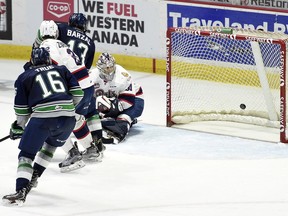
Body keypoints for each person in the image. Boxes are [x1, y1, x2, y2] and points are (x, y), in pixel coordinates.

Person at [2, 48, 83, 206]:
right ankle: (34, 177)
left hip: (43, 120)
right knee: (50, 146)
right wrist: (66, 109)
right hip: (68, 119)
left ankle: (21, 190)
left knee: (26, 154)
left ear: (32, 60)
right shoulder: (61, 69)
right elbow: (78, 94)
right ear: (49, 60)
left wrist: (18, 127)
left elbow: (21, 110)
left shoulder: (25, 76)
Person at [34, 20, 104, 173]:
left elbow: (53, 69)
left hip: (74, 88)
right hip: (87, 86)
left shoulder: (46, 45)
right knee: (76, 118)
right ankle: (91, 150)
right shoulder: (61, 44)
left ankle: (73, 154)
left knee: (54, 122)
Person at [89, 53, 144, 144]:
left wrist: (108, 110)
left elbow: (128, 101)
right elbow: (87, 99)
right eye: (106, 68)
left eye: (111, 67)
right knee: (93, 117)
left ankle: (119, 132)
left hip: (134, 100)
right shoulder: (91, 77)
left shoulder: (123, 76)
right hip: (112, 101)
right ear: (100, 68)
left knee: (124, 118)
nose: (110, 70)